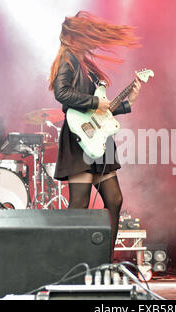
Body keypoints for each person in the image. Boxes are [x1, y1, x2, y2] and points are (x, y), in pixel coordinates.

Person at [49, 11, 142, 254]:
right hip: (80, 140)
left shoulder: (85, 65)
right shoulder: (68, 59)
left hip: (98, 140)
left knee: (114, 200)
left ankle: (105, 260)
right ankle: (69, 261)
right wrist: (93, 102)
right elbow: (62, 93)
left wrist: (128, 100)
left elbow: (102, 112)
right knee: (79, 203)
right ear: (79, 36)